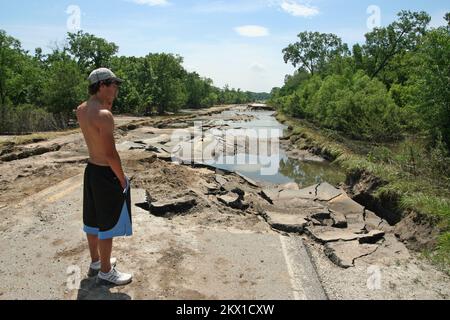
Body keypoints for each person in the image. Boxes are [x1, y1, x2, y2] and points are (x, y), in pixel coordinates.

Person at [76, 68, 133, 286]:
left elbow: (95, 137)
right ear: (102, 86)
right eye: (113, 84)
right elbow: (110, 154)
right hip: (104, 173)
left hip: (90, 170)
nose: (116, 88)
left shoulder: (81, 110)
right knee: (107, 223)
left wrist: (106, 104)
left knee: (92, 220)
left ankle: (96, 262)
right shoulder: (104, 115)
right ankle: (106, 272)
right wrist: (121, 178)